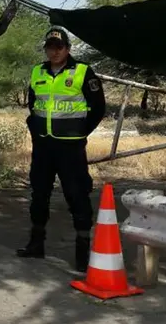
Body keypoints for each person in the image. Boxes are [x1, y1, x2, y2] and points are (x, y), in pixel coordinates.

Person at [16, 26, 106, 271]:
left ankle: (82, 253)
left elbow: (98, 108)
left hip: (70, 148)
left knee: (76, 195)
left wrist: (79, 132)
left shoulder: (83, 72)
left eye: (59, 47)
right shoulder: (38, 72)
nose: (54, 52)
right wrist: (33, 126)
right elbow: (34, 103)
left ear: (67, 49)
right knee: (39, 194)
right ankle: (36, 244)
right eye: (50, 48)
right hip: (44, 145)